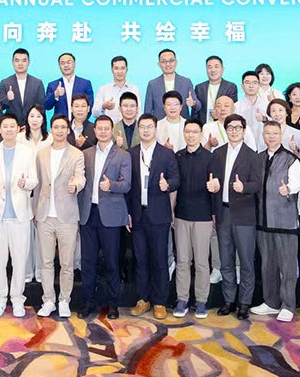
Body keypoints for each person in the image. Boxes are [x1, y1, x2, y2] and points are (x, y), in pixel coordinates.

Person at [0, 113, 38, 317]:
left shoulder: (27, 152)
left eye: (12, 126)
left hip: (20, 215)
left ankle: (17, 299)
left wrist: (26, 183)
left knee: (19, 260)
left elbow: (34, 180)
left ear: (18, 129)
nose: (8, 129)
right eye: (5, 126)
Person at [249, 121, 300, 321]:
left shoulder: (291, 159)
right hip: (263, 222)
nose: (271, 137)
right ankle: (271, 302)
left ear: (281, 135)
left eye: (275, 133)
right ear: (263, 135)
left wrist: (288, 189)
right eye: (267, 133)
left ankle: (288, 305)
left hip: (285, 221)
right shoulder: (258, 158)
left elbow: (298, 183)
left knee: (287, 266)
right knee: (267, 264)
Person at [78, 116, 133, 318]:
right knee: (88, 262)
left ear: (112, 131)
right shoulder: (85, 154)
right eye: (99, 128)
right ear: (94, 131)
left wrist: (112, 186)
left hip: (111, 216)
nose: (102, 132)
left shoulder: (123, 155)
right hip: (88, 214)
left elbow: (126, 184)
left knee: (111, 262)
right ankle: (88, 302)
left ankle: (113, 304)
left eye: (106, 128)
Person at [211, 115, 264, 318]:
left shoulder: (252, 155)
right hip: (223, 213)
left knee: (246, 261)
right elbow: (214, 181)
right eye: (230, 128)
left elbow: (257, 184)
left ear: (244, 130)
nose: (234, 131)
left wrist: (245, 187)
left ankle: (245, 302)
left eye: (238, 127)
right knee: (226, 260)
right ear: (226, 130)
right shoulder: (218, 153)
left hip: (244, 215)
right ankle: (229, 300)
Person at [127, 115, 178, 318]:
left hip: (159, 215)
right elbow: (128, 187)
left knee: (159, 259)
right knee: (141, 259)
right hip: (137, 215)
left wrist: (168, 184)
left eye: (150, 127)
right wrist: (127, 213)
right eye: (142, 127)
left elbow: (176, 179)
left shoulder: (166, 154)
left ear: (156, 129)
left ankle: (160, 302)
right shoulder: (131, 154)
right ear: (138, 129)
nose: (146, 130)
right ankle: (143, 299)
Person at [34, 114, 85, 319]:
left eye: (63, 127)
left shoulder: (76, 154)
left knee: (67, 263)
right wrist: (34, 211)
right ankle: (48, 300)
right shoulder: (41, 154)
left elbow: (80, 176)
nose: (60, 130)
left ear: (68, 130)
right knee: (46, 262)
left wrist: (76, 185)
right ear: (51, 129)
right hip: (44, 215)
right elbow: (38, 184)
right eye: (56, 127)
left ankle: (64, 300)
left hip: (67, 216)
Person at [171, 120, 216, 318]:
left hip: (203, 216)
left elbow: (215, 186)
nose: (190, 135)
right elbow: (174, 188)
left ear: (201, 134)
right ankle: (182, 299)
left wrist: (214, 214)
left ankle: (201, 301)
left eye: (195, 132)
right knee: (182, 261)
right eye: (187, 131)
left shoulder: (210, 157)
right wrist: (171, 211)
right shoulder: (177, 156)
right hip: (181, 215)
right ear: (184, 133)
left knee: (201, 262)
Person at [144, 49, 195, 120]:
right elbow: (147, 110)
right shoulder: (152, 84)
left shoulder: (186, 82)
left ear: (176, 62)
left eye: (171, 61)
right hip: (160, 124)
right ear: (159, 64)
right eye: (164, 61)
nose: (168, 64)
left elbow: (198, 105)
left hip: (182, 124)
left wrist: (193, 103)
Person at [0, 48, 45, 122]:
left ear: (28, 63)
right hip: (12, 125)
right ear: (12, 62)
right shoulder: (5, 83)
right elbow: (0, 107)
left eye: (24, 60)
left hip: (31, 125)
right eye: (17, 60)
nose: (20, 64)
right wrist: (7, 98)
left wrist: (29, 124)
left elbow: (41, 107)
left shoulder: (37, 83)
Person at [191, 55, 238, 122]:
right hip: (203, 125)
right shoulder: (199, 88)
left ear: (222, 69)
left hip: (223, 124)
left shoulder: (231, 87)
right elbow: (196, 112)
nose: (213, 70)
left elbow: (232, 110)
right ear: (206, 70)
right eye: (209, 67)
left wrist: (219, 114)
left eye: (216, 67)